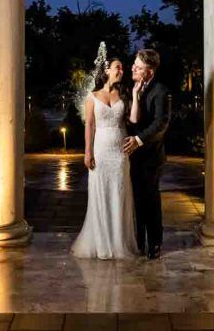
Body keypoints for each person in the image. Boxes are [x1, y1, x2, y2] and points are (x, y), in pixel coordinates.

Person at [71, 58, 139, 259]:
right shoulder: (92, 96)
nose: (121, 70)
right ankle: (101, 243)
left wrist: (135, 95)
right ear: (107, 70)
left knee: (119, 193)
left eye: (122, 68)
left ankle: (119, 243)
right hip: (100, 150)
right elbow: (89, 125)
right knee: (100, 193)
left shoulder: (125, 94)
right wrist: (88, 152)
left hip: (120, 151)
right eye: (118, 67)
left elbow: (134, 120)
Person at [123, 49, 171, 259]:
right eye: (134, 64)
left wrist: (138, 140)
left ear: (149, 72)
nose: (133, 68)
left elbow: (161, 123)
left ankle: (155, 243)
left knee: (150, 199)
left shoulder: (161, 91)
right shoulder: (132, 88)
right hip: (133, 156)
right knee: (136, 199)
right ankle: (139, 241)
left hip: (151, 156)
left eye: (138, 67)